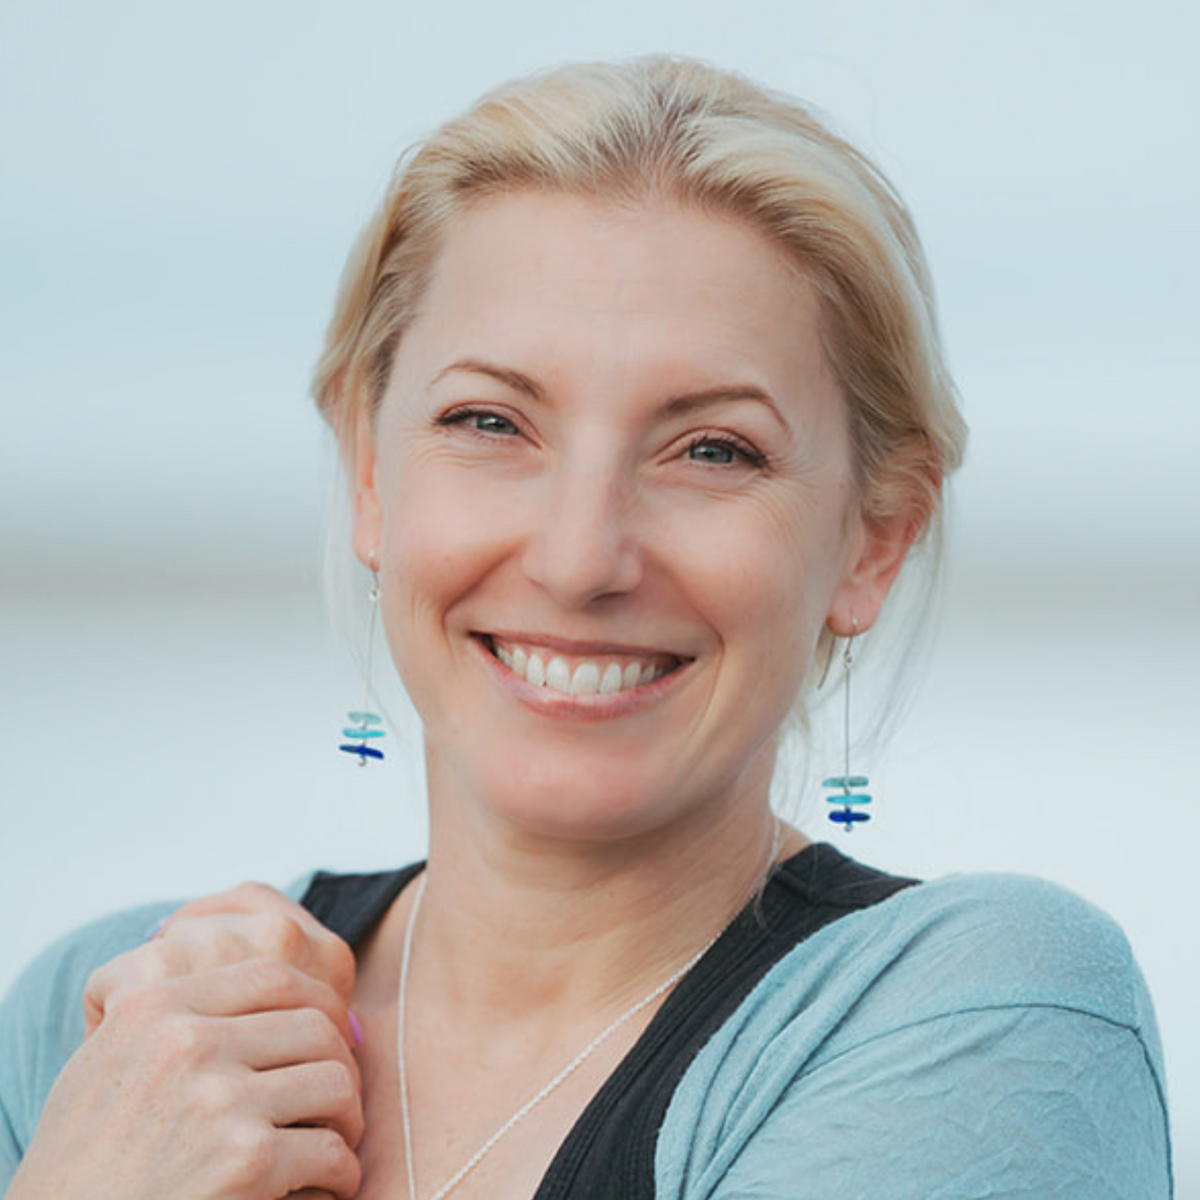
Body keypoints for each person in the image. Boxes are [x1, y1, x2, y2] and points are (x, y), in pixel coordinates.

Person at [0, 56, 1172, 1200]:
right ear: (368, 469)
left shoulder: (980, 1010)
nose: (578, 557)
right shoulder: (114, 1019)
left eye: (713, 449)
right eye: (490, 421)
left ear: (874, 541)